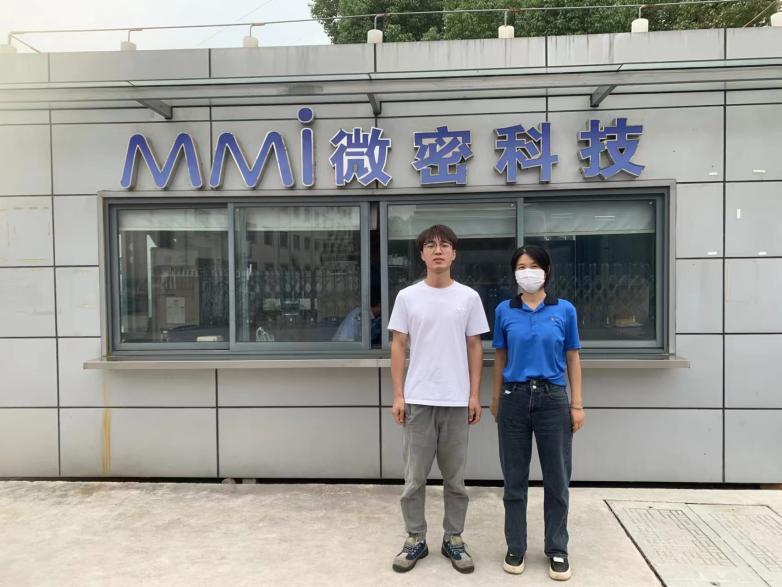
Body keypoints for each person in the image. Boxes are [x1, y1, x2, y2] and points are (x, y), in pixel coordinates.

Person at [388, 224, 489, 574]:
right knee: (414, 479)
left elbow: (475, 347)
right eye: (430, 245)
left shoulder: (468, 297)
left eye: (445, 245)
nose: (438, 250)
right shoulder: (408, 297)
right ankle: (415, 537)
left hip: (457, 401)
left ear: (454, 253)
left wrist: (474, 394)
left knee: (455, 480)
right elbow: (398, 345)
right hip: (418, 400)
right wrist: (398, 394)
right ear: (422, 254)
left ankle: (453, 538)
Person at [490, 244, 584, 581]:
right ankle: (515, 546)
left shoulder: (564, 310)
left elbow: (573, 357)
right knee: (514, 480)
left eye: (533, 265)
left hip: (553, 399)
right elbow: (500, 356)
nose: (527, 272)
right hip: (513, 398)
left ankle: (557, 548)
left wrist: (577, 403)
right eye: (521, 266)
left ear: (546, 270)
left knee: (557, 479)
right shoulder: (505, 310)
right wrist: (495, 398)